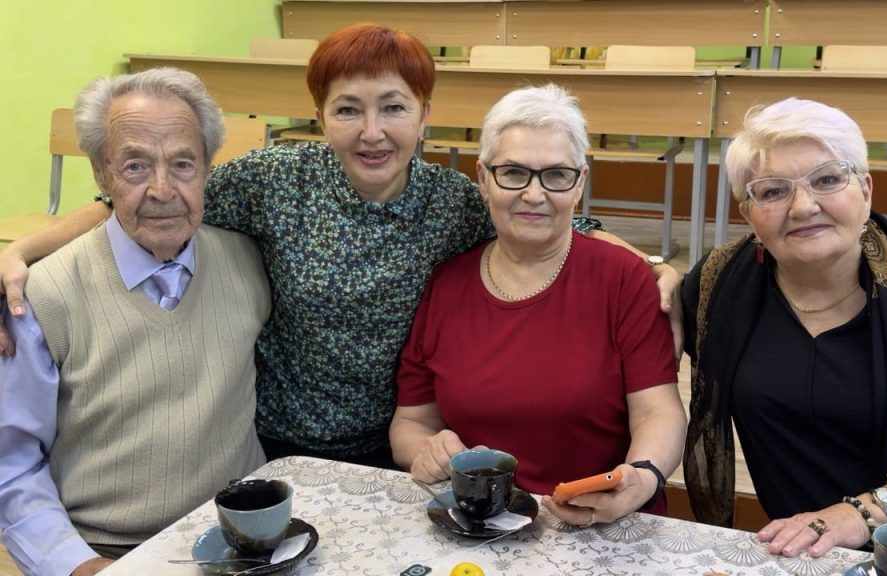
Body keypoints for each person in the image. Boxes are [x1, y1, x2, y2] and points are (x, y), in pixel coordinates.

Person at [0, 24, 680, 467]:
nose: (371, 131)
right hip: (277, 444)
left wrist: (653, 269)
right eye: (348, 109)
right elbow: (140, 199)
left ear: (425, 116)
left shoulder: (450, 201)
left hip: (402, 446)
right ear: (320, 117)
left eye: (393, 107)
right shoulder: (274, 180)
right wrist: (22, 252)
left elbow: (548, 210)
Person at [679, 97, 887, 573]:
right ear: (748, 213)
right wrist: (652, 265)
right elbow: (610, 273)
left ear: (865, 189)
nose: (803, 207)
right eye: (773, 191)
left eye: (827, 180)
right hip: (811, 555)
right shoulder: (718, 286)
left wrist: (859, 515)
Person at [0, 68, 270, 576]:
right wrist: (78, 565)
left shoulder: (249, 261)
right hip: (107, 551)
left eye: (183, 164)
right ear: (101, 176)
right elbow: (10, 465)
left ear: (207, 170)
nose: (162, 190)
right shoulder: (43, 295)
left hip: (243, 543)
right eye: (135, 166)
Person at [390, 84, 686, 527]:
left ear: (580, 182)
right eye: (513, 172)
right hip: (478, 524)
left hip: (598, 525)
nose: (534, 194)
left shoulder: (624, 279)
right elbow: (409, 423)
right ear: (483, 178)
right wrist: (426, 450)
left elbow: (658, 411)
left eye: (556, 175)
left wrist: (642, 478)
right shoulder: (446, 284)